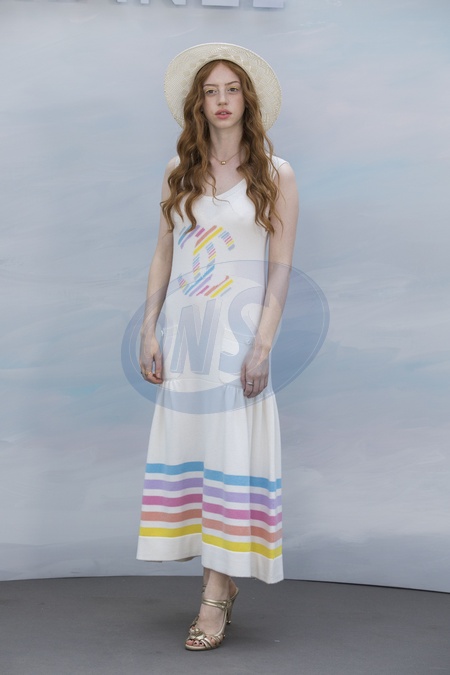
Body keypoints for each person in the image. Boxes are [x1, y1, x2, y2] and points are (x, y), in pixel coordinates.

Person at [137, 43, 299, 651]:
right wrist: (149, 328)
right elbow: (163, 252)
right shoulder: (179, 172)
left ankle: (214, 593)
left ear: (247, 100)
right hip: (185, 339)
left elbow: (280, 267)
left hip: (237, 339)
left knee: (230, 458)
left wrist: (263, 344)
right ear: (198, 104)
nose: (222, 100)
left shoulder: (276, 174)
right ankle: (222, 582)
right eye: (211, 91)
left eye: (232, 89)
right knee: (200, 457)